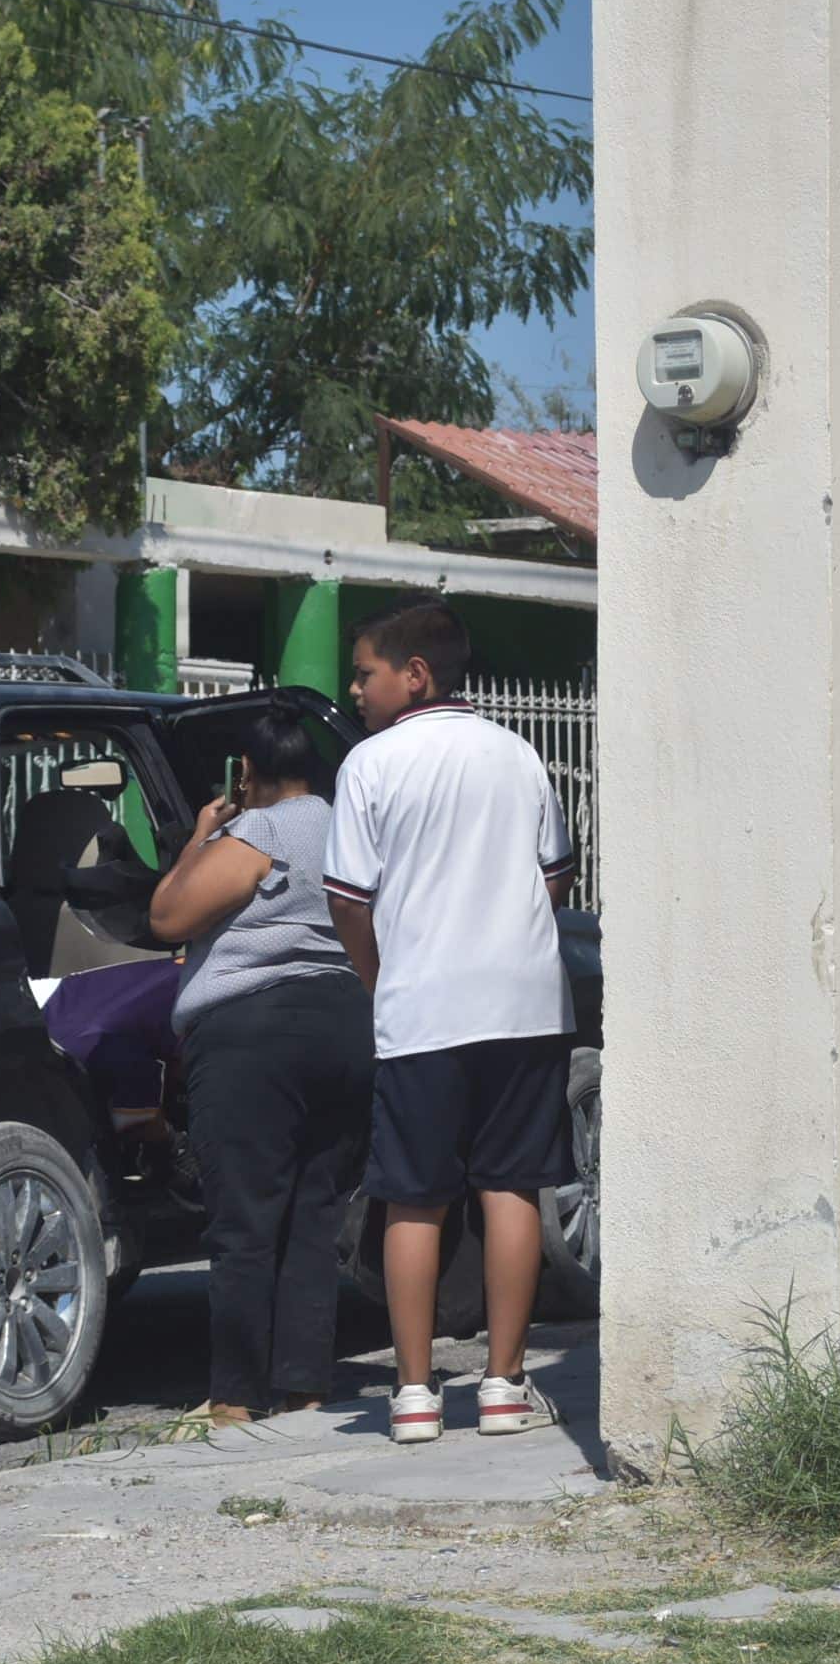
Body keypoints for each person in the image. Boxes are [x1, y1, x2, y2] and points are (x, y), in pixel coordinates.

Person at [323, 598, 577, 1446]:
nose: (355, 689)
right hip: (523, 1005)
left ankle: (413, 1393)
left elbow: (347, 899)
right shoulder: (521, 756)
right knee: (513, 1188)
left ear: (414, 674)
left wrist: (378, 978)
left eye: (364, 672)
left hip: (422, 1006)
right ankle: (504, 1385)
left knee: (414, 1197)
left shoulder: (370, 764)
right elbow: (553, 877)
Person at [146, 708, 373, 1426]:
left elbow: (168, 917)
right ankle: (305, 1389)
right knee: (315, 1216)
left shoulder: (262, 830)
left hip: (253, 1036)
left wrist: (198, 840)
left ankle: (236, 1399)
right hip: (347, 1027)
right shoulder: (350, 829)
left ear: (247, 773)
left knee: (244, 1221)